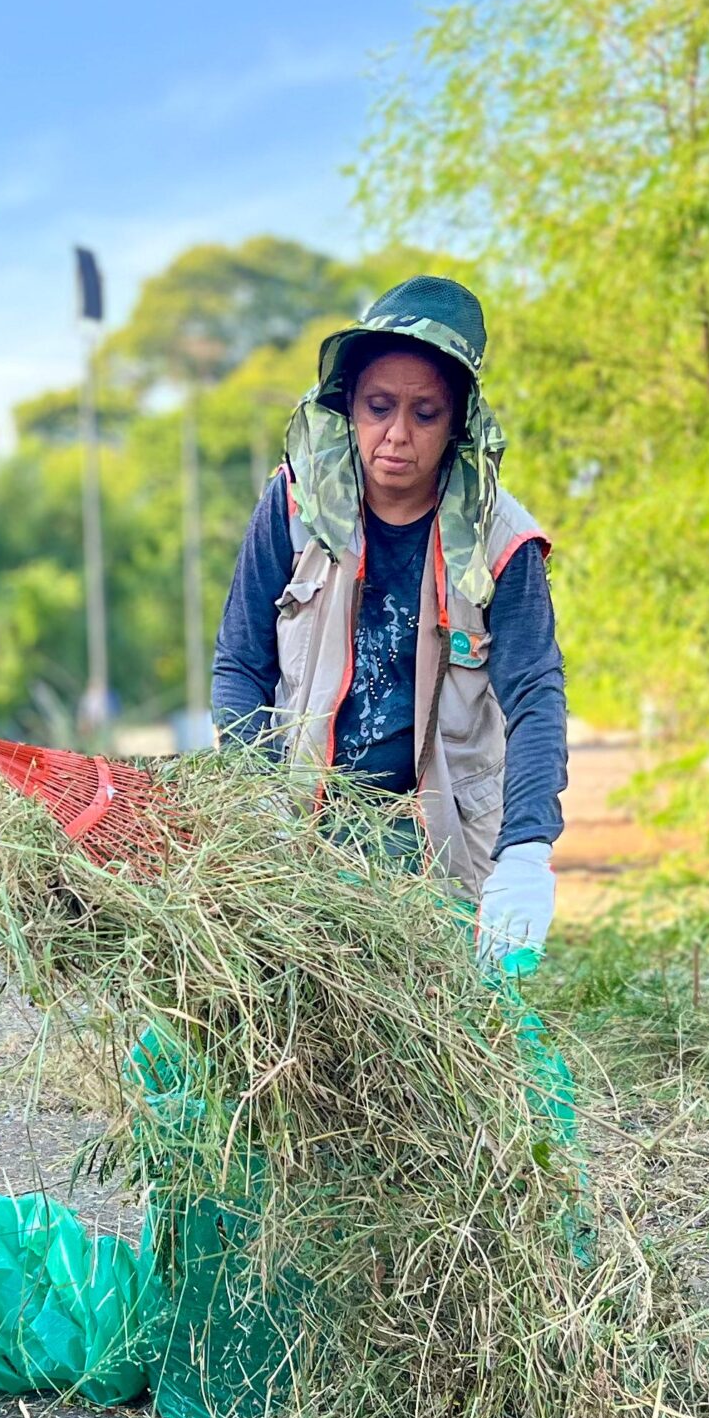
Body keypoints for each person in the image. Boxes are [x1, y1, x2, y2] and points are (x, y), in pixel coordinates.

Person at [211, 277, 566, 967]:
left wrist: (525, 849)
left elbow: (535, 698)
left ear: (458, 423)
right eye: (378, 407)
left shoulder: (502, 542)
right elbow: (241, 664)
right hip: (303, 828)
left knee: (435, 1044)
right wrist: (249, 797)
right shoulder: (295, 506)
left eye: (425, 413)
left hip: (439, 836)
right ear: (347, 407)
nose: (396, 434)